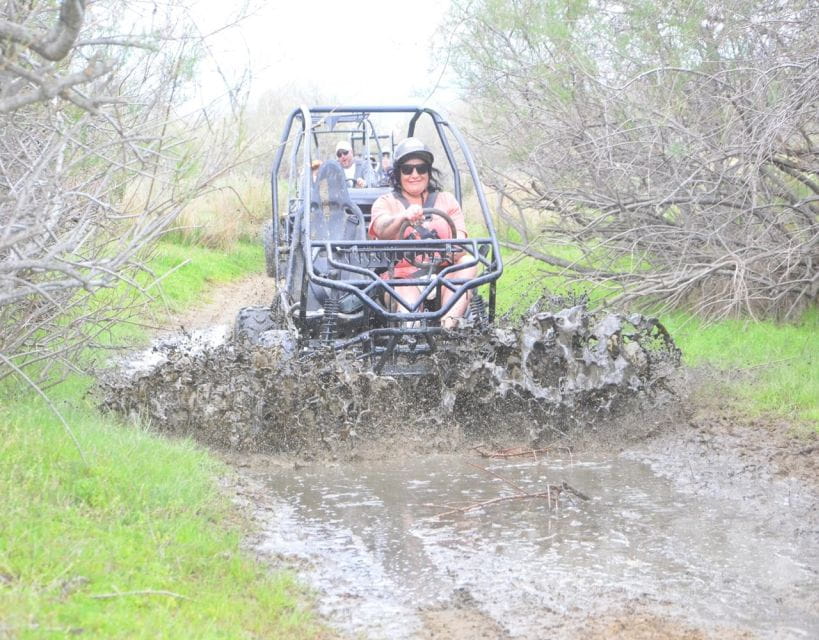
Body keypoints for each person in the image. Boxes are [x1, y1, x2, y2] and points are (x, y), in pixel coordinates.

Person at [368, 137, 477, 328]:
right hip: (401, 279)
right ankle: (412, 331)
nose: (415, 174)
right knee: (409, 310)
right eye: (407, 169)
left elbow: (460, 244)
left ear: (428, 171)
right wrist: (403, 217)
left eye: (421, 168)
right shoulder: (386, 202)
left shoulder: (447, 201)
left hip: (443, 276)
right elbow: (381, 228)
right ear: (398, 173)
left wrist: (444, 252)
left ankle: (448, 329)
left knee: (468, 261)